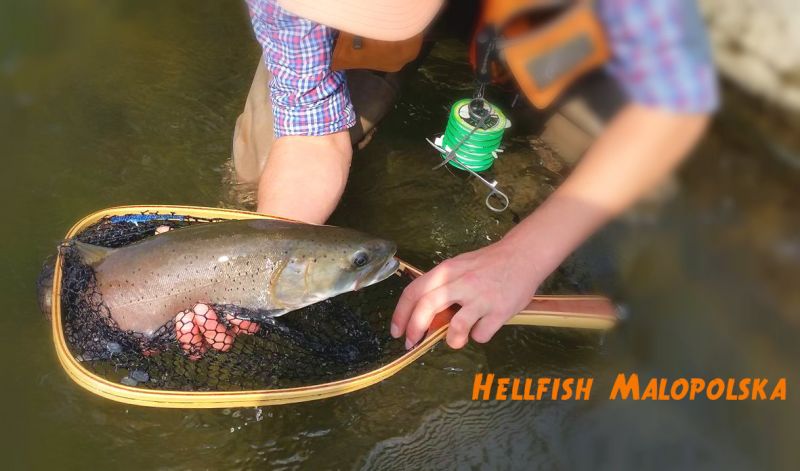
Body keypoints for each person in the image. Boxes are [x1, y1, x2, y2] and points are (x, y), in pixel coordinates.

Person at [233, 0, 718, 350]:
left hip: (562, 20)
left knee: (648, 187)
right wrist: (269, 268)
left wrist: (522, 257)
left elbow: (675, 103)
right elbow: (308, 129)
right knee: (261, 171)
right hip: (364, 38)